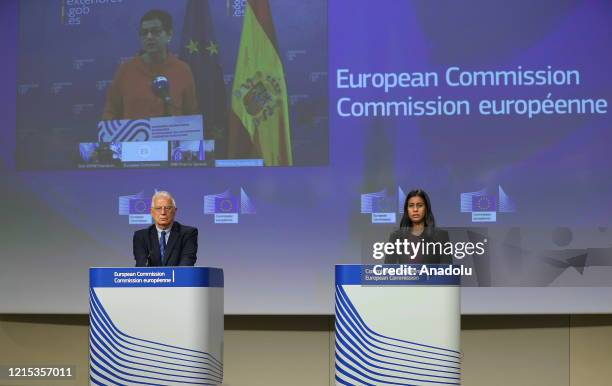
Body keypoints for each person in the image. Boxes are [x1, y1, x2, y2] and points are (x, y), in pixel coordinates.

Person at [102, 10, 198, 120]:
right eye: (144, 32)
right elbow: (111, 112)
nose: (149, 37)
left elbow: (191, 114)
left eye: (155, 31)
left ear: (169, 34)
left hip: (172, 136)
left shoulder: (183, 70)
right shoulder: (125, 70)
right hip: (134, 136)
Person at [384, 189, 452, 264]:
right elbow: (388, 270)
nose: (415, 209)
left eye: (420, 205)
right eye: (411, 206)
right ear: (407, 209)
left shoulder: (441, 236)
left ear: (426, 208)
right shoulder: (396, 237)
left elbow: (447, 271)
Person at [133, 191, 198, 266]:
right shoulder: (141, 236)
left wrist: (169, 277)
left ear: (175, 211)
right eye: (158, 208)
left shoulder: (188, 234)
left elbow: (187, 263)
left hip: (178, 277)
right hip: (152, 278)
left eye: (167, 208)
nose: (163, 212)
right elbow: (141, 265)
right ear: (152, 212)